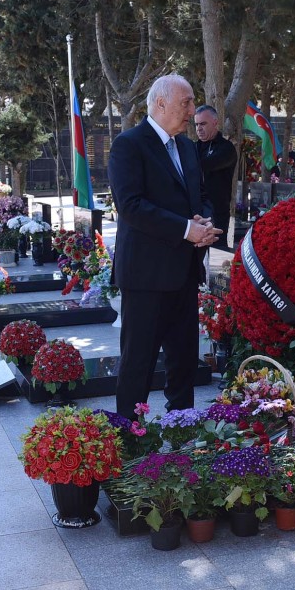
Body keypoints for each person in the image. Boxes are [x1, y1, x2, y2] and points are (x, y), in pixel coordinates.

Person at [108, 74, 219, 420]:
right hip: (145, 276)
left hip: (184, 272)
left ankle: (181, 427)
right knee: (138, 362)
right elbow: (130, 206)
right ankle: (129, 433)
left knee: (184, 361)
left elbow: (200, 195)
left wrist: (204, 222)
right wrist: (187, 230)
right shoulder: (129, 145)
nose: (192, 110)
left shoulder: (186, 147)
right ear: (160, 103)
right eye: (186, 102)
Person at [194, 106, 238, 250]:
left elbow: (206, 165)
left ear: (215, 122)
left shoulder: (226, 148)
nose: (199, 128)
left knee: (216, 253)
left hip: (216, 213)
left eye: (203, 124)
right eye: (196, 124)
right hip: (194, 212)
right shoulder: (193, 148)